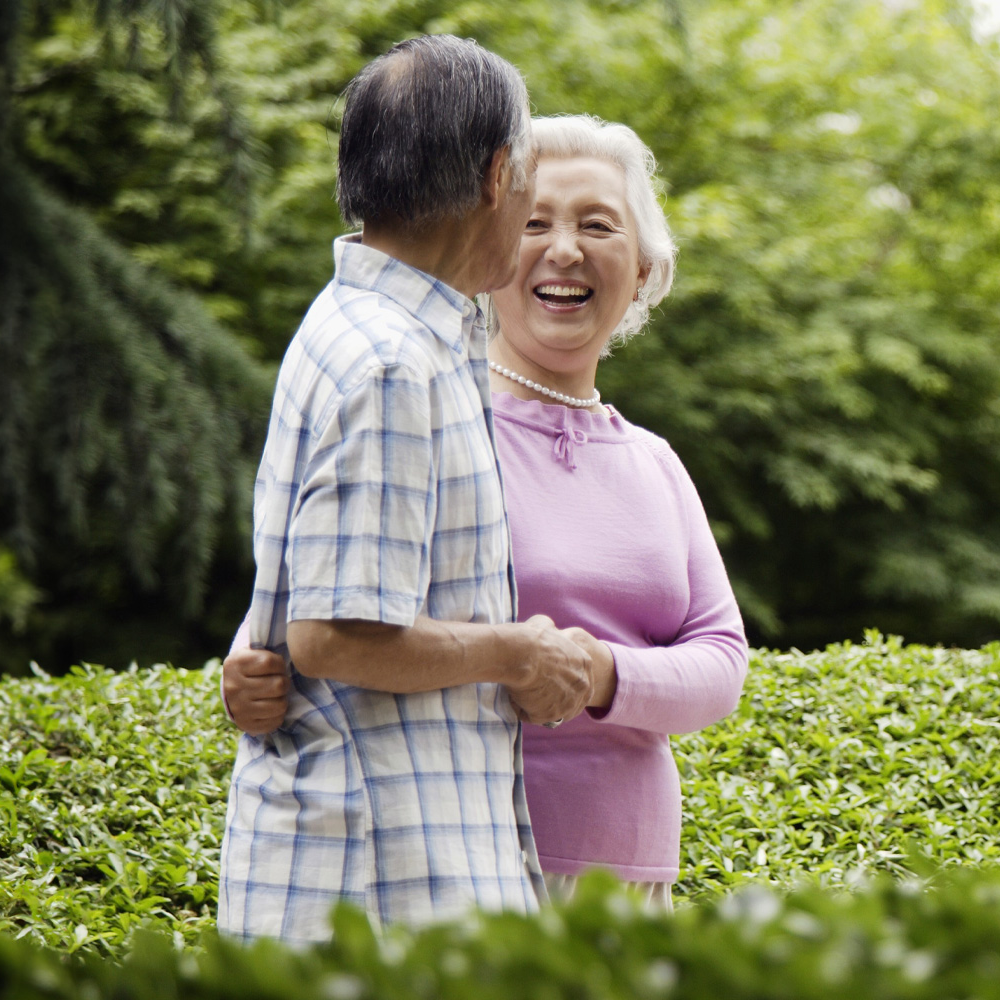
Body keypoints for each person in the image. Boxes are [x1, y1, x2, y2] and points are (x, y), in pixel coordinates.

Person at [224, 114, 749, 913]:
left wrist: (602, 675)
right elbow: (340, 581)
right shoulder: (434, 414)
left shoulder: (655, 463)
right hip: (476, 866)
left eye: (598, 225)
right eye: (535, 220)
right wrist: (251, 653)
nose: (564, 249)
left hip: (635, 882)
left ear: (642, 269)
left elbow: (721, 664)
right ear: (496, 246)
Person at [217, 40, 606, 946]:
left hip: (391, 868)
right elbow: (334, 631)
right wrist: (517, 653)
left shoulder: (374, 328)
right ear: (498, 175)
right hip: (379, 887)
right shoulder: (392, 362)